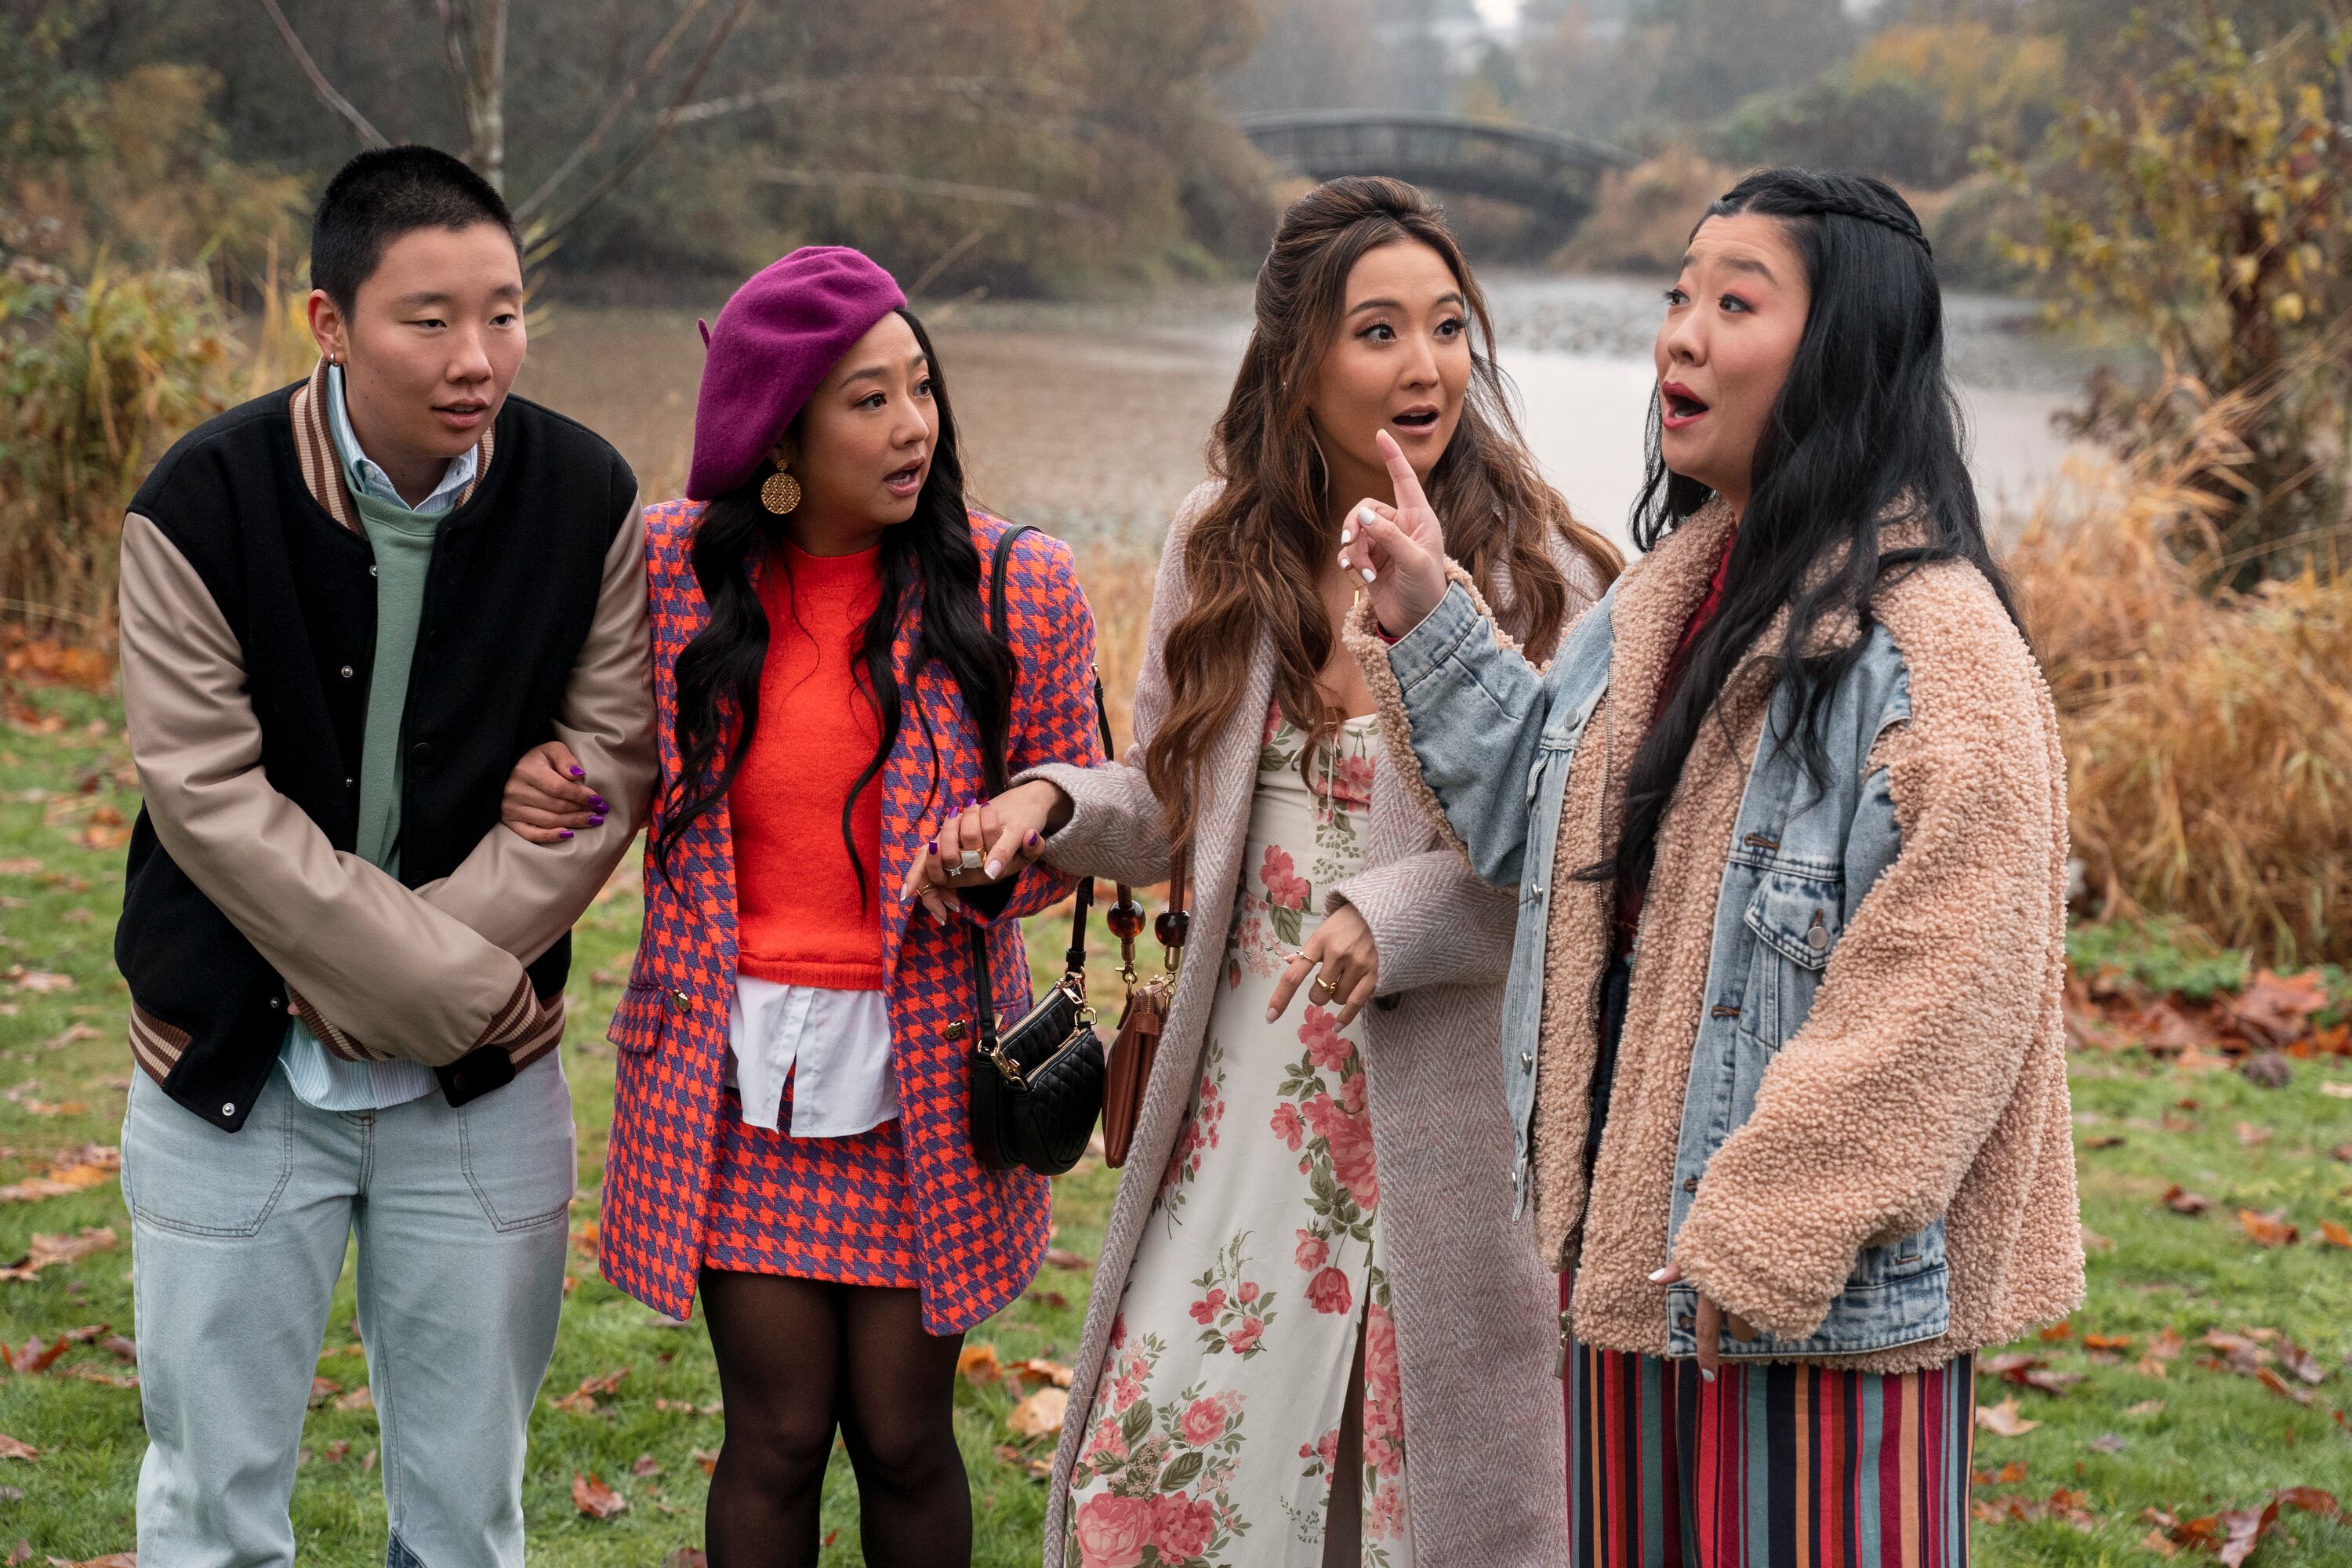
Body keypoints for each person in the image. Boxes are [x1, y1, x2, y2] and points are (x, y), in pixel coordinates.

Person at [1341, 169, 2084, 1567]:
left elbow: (1951, 988)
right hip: (1635, 1275)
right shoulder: (1666, 601)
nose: (1678, 332)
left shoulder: (1936, 644)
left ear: (1844, 353)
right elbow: (1538, 833)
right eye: (1678, 293)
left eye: (1733, 302)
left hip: (1808, 1303)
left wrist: (1771, 1223)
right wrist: (1432, 618)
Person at [940, 178, 1621, 1567]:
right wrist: (1050, 805)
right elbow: (1176, 804)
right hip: (1240, 1088)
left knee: (1410, 1492)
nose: (1423, 364)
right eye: (1379, 331)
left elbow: (1578, 851)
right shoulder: (1221, 542)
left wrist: (1398, 914)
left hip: (1442, 1103)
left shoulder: (1542, 568)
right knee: (1164, 1453)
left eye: (1444, 327)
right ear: (1297, 356)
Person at [499, 245, 1102, 1567]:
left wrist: (1012, 845)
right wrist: (546, 772)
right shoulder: (672, 567)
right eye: (868, 401)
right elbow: (600, 741)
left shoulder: (1016, 583)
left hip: (932, 1071)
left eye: (921, 389)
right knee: (772, 1436)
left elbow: (1077, 823)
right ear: (781, 432)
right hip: (734, 1073)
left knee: (900, 1435)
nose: (913, 427)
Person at [112, 146, 653, 1566]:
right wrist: (438, 976)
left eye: (506, 312)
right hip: (232, 1068)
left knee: (469, 1520)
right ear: (330, 324)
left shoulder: (588, 495)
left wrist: (411, 993)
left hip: (478, 1091)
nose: (478, 358)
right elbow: (205, 793)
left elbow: (612, 763)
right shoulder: (200, 502)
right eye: (430, 319)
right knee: (211, 1511)